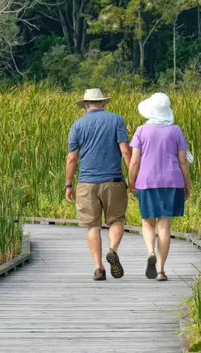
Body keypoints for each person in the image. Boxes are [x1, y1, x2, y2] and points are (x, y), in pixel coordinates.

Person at [65, 88, 132, 281]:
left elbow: (72, 158)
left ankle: (98, 268)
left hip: (87, 183)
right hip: (114, 180)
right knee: (116, 220)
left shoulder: (77, 125)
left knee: (92, 226)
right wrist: (134, 177)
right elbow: (126, 151)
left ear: (86, 105)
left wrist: (68, 185)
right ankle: (113, 250)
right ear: (103, 103)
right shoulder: (116, 120)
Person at [128, 93, 191, 282]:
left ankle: (150, 252)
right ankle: (161, 270)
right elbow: (183, 161)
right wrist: (187, 185)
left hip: (147, 182)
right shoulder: (175, 131)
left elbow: (135, 161)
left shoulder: (141, 131)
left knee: (147, 222)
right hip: (172, 181)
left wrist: (131, 181)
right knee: (164, 225)